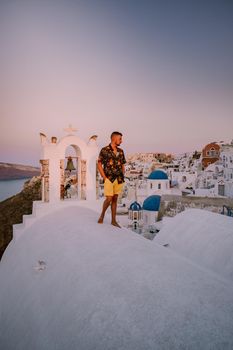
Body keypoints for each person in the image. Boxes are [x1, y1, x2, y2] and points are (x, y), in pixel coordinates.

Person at [97, 131, 126, 228]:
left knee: (115, 199)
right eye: (120, 139)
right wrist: (104, 177)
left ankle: (113, 220)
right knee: (109, 198)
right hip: (109, 178)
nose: (121, 141)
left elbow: (122, 164)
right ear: (114, 139)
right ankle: (102, 215)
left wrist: (123, 173)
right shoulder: (104, 150)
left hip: (119, 179)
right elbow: (99, 164)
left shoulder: (121, 151)